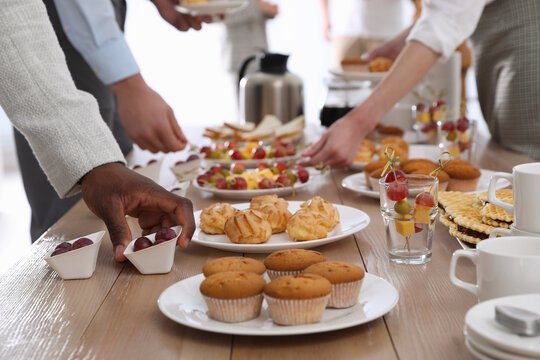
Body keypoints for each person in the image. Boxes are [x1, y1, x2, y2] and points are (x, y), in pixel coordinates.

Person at [0, 0, 195, 262]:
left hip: (96, 28)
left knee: (117, 183)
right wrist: (129, 84)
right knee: (66, 228)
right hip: (61, 31)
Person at [303, 0, 540, 166]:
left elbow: (444, 18)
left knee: (524, 158)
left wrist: (358, 123)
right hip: (493, 46)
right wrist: (401, 41)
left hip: (528, 48)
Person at [319, 0, 409, 67]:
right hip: (346, 26)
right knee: (342, 82)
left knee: (385, 80)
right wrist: (325, 18)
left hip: (387, 30)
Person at [222, 0, 278, 92]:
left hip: (262, 59)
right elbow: (221, 15)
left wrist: (268, 11)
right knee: (245, 103)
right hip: (239, 59)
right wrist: (257, 7)